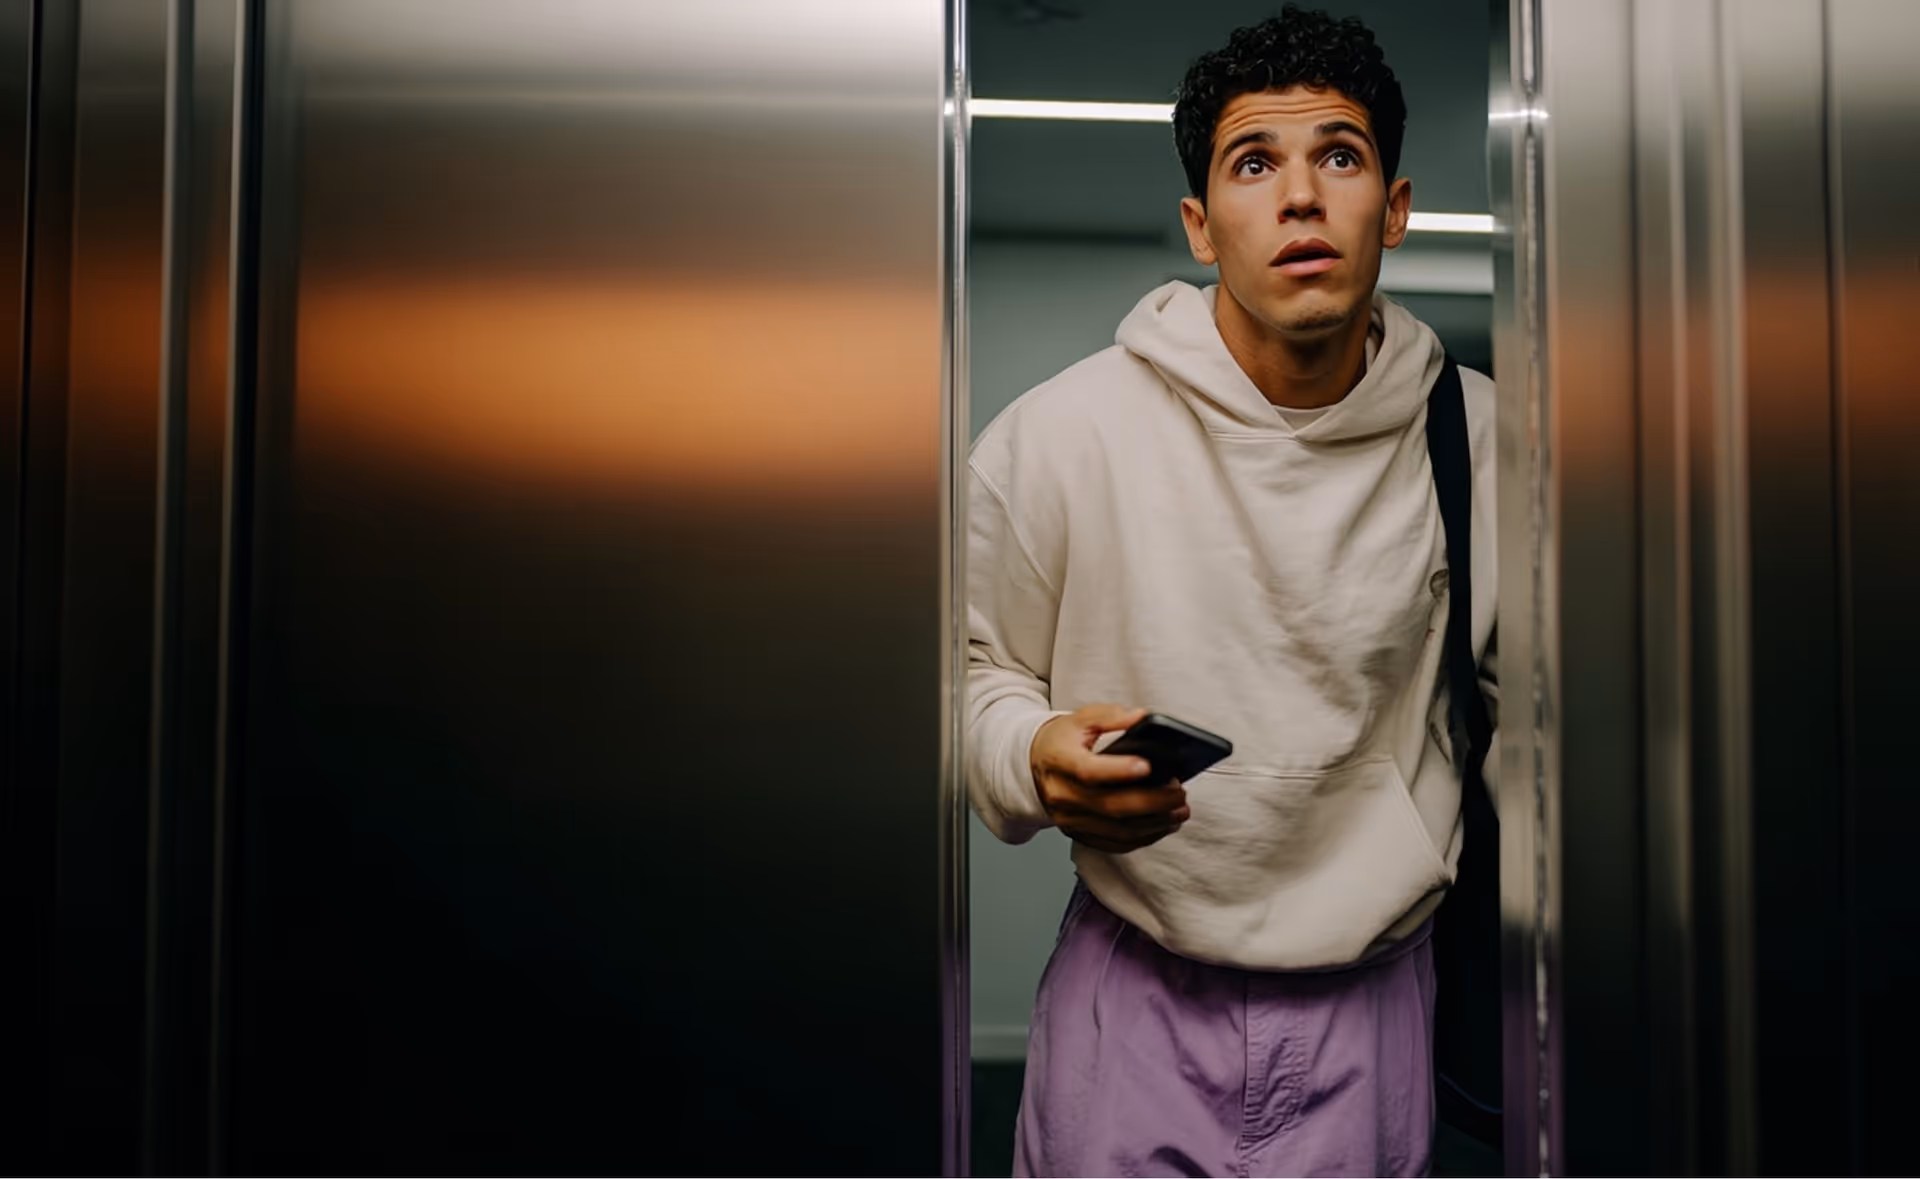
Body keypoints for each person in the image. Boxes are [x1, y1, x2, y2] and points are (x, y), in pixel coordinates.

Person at [964, 7, 1499, 1176]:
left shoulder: (1488, 439)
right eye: (1255, 164)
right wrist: (1031, 750)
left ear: (1394, 209)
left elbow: (1548, 724)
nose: (1300, 198)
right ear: (1201, 227)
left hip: (1375, 1001)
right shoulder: (1063, 435)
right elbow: (968, 672)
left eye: (1339, 157)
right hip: (1135, 996)